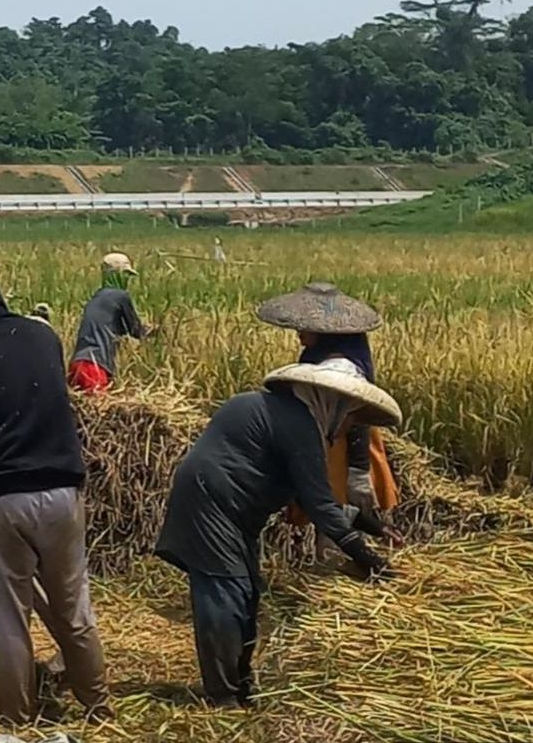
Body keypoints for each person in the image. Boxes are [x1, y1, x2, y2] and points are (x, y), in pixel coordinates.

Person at [155, 359, 402, 708]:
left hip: (231, 511)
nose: (348, 427)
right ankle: (223, 698)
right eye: (350, 417)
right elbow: (321, 508)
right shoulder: (298, 424)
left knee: (246, 593)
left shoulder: (285, 415)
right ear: (331, 403)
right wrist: (372, 561)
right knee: (226, 594)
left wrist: (376, 527)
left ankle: (240, 687)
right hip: (211, 504)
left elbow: (313, 497)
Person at [0, 257, 110, 725]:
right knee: (74, 611)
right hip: (61, 489)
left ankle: (16, 719)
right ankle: (98, 709)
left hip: (2, 496)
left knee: (12, 618)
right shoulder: (41, 336)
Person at [256, 283, 400, 556]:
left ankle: (339, 573)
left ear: (325, 333)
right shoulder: (317, 358)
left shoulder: (341, 369)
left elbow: (354, 417)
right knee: (330, 509)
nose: (298, 332)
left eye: (305, 328)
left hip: (342, 447)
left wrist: (358, 471)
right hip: (329, 439)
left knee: (335, 510)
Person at [69, 252, 147, 393]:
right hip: (94, 366)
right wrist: (159, 330)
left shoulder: (96, 298)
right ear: (117, 275)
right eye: (125, 275)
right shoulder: (120, 296)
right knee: (100, 410)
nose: (127, 280)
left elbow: (117, 328)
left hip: (77, 364)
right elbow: (136, 330)